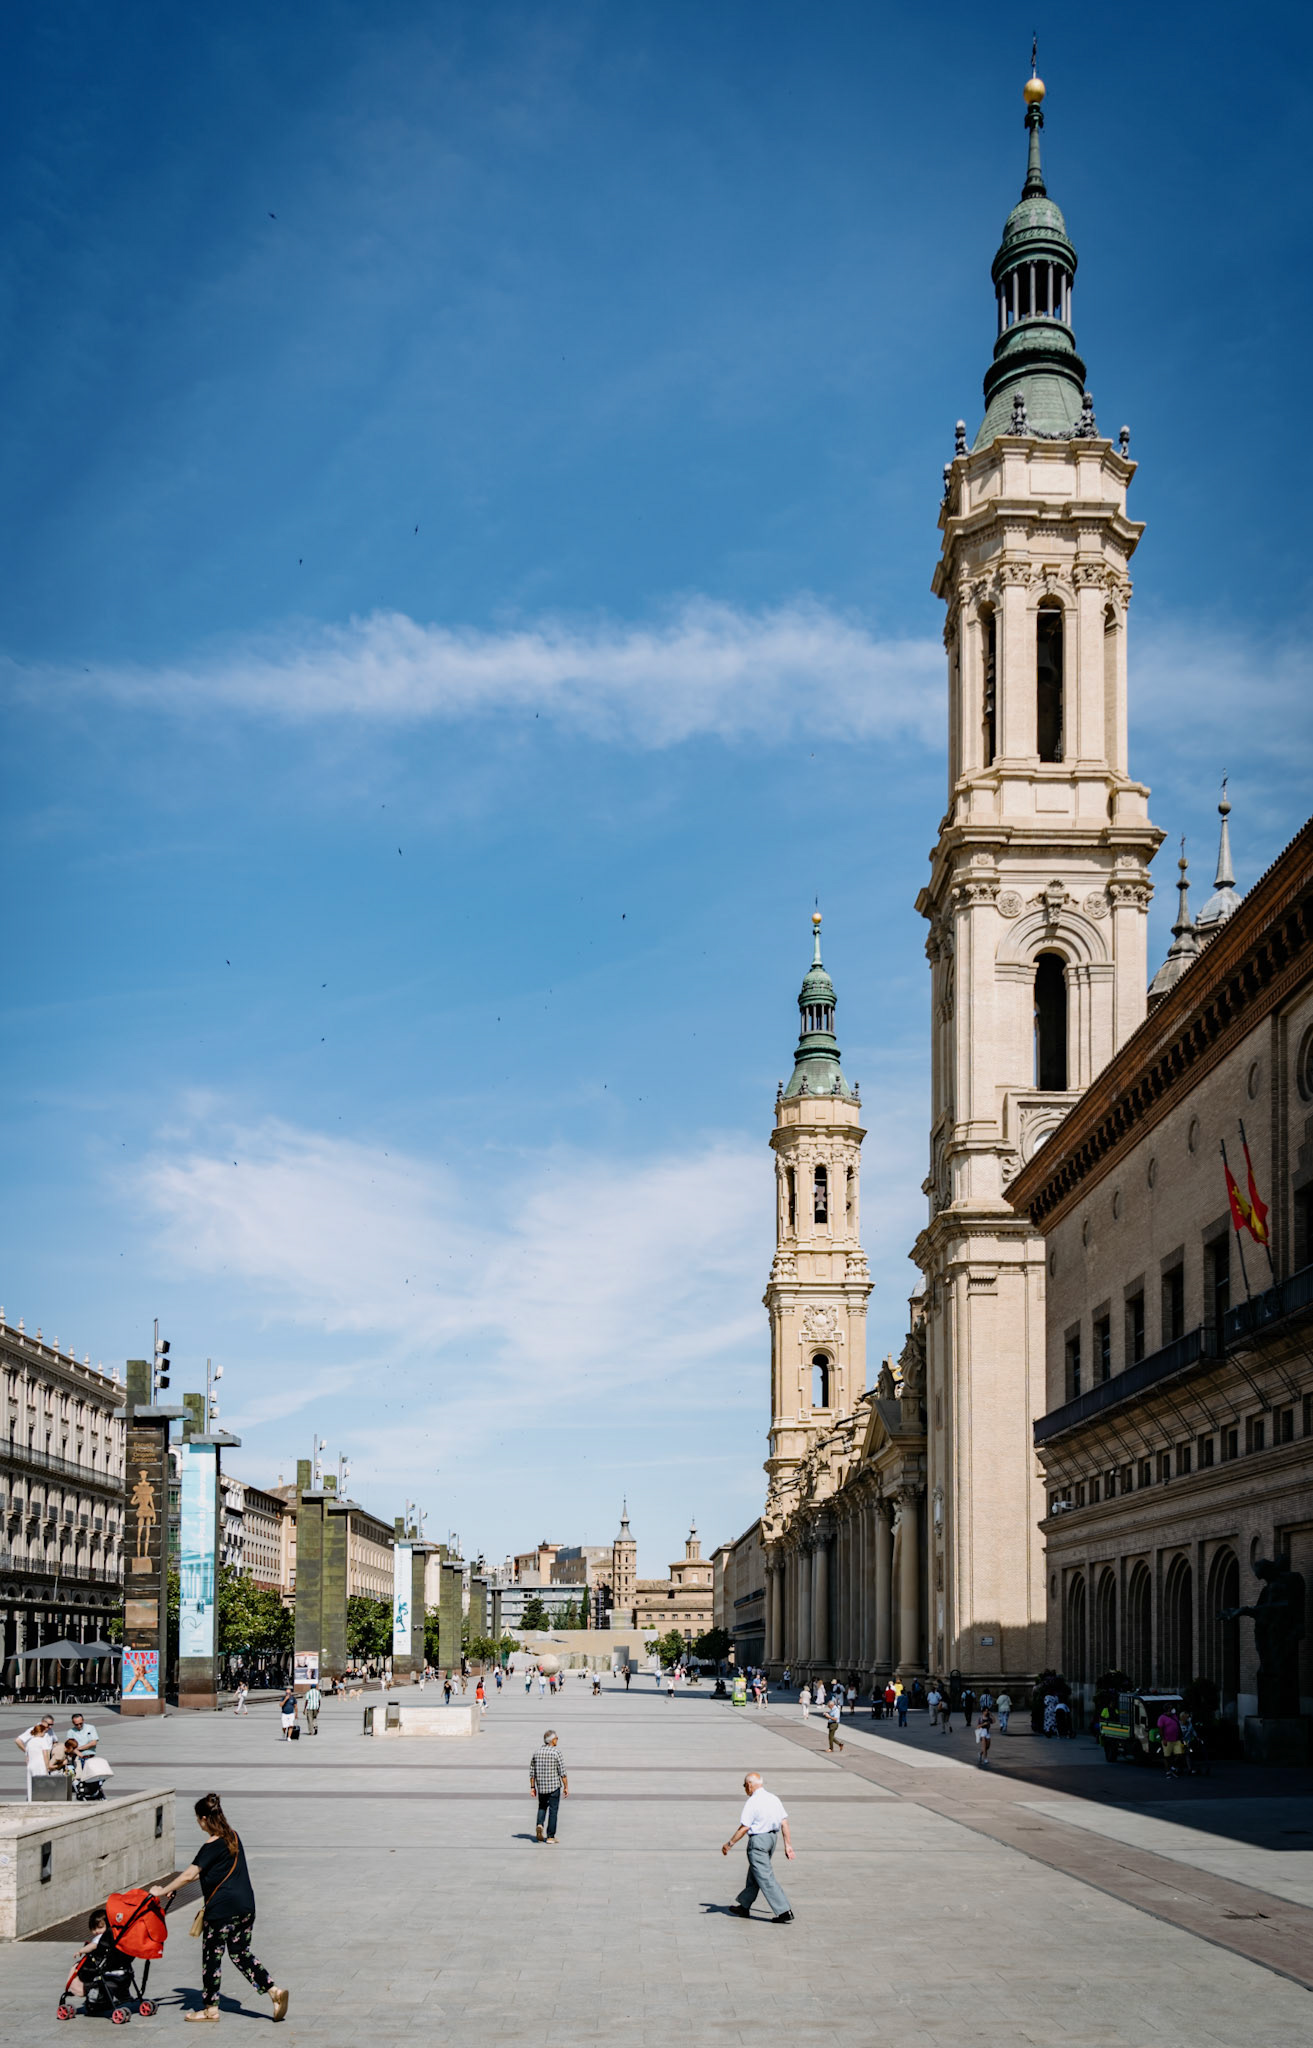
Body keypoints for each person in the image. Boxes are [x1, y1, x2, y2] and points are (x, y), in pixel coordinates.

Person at [151, 1792, 289, 2023]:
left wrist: (162, 1890)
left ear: (205, 1819)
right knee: (240, 1953)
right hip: (245, 1907)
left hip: (221, 1911)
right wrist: (178, 1886)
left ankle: (210, 2010)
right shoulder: (233, 1837)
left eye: (198, 1819)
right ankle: (274, 1991)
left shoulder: (211, 1844)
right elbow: (211, 1871)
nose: (197, 1823)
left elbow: (190, 1873)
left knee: (212, 1959)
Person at [721, 1771, 794, 1923]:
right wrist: (788, 1846)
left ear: (749, 1785)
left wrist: (729, 1844)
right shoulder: (774, 1798)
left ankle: (784, 1911)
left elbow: (744, 1827)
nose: (745, 1789)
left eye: (744, 1786)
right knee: (755, 1874)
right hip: (771, 1840)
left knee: (765, 1877)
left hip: (758, 1842)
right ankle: (744, 1906)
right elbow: (784, 1823)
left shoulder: (752, 1802)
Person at [529, 1729, 568, 1843]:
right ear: (552, 1740)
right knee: (553, 1811)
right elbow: (562, 1772)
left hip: (541, 1787)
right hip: (554, 1787)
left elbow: (532, 1773)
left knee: (542, 1807)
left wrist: (532, 1788)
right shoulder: (556, 1752)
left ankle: (540, 1824)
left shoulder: (537, 1752)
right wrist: (566, 1786)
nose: (557, 1740)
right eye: (556, 1738)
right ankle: (550, 1836)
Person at [15, 1715, 54, 1800]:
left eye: (52, 1725)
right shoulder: (35, 1731)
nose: (50, 1727)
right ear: (43, 1722)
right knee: (41, 1784)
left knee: (35, 1784)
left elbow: (54, 1742)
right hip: (41, 1763)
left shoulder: (50, 1731)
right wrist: (27, 1752)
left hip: (36, 1763)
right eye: (49, 1724)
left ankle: (34, 1800)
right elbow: (18, 1740)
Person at [1156, 1704, 1185, 1778]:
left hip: (1176, 1739)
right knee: (1167, 1757)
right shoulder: (1162, 1718)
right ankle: (1168, 1771)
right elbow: (1160, 1729)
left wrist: (1181, 1737)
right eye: (1171, 1708)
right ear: (1167, 1709)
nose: (1173, 1709)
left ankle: (1173, 1766)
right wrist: (1164, 1739)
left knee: (1179, 1755)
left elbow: (1178, 1726)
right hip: (1167, 1740)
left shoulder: (1174, 1716)